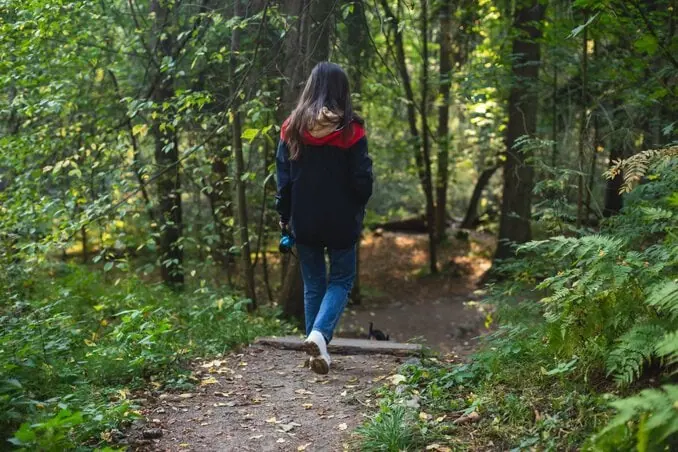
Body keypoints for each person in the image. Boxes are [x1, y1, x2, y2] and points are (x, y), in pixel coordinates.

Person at [275, 62, 373, 375]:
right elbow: (362, 180)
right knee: (342, 279)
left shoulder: (292, 127)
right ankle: (319, 337)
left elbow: (284, 178)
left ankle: (316, 349)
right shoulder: (351, 130)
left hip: (304, 218)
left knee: (313, 283)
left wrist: (284, 214)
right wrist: (358, 204)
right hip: (342, 219)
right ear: (342, 91)